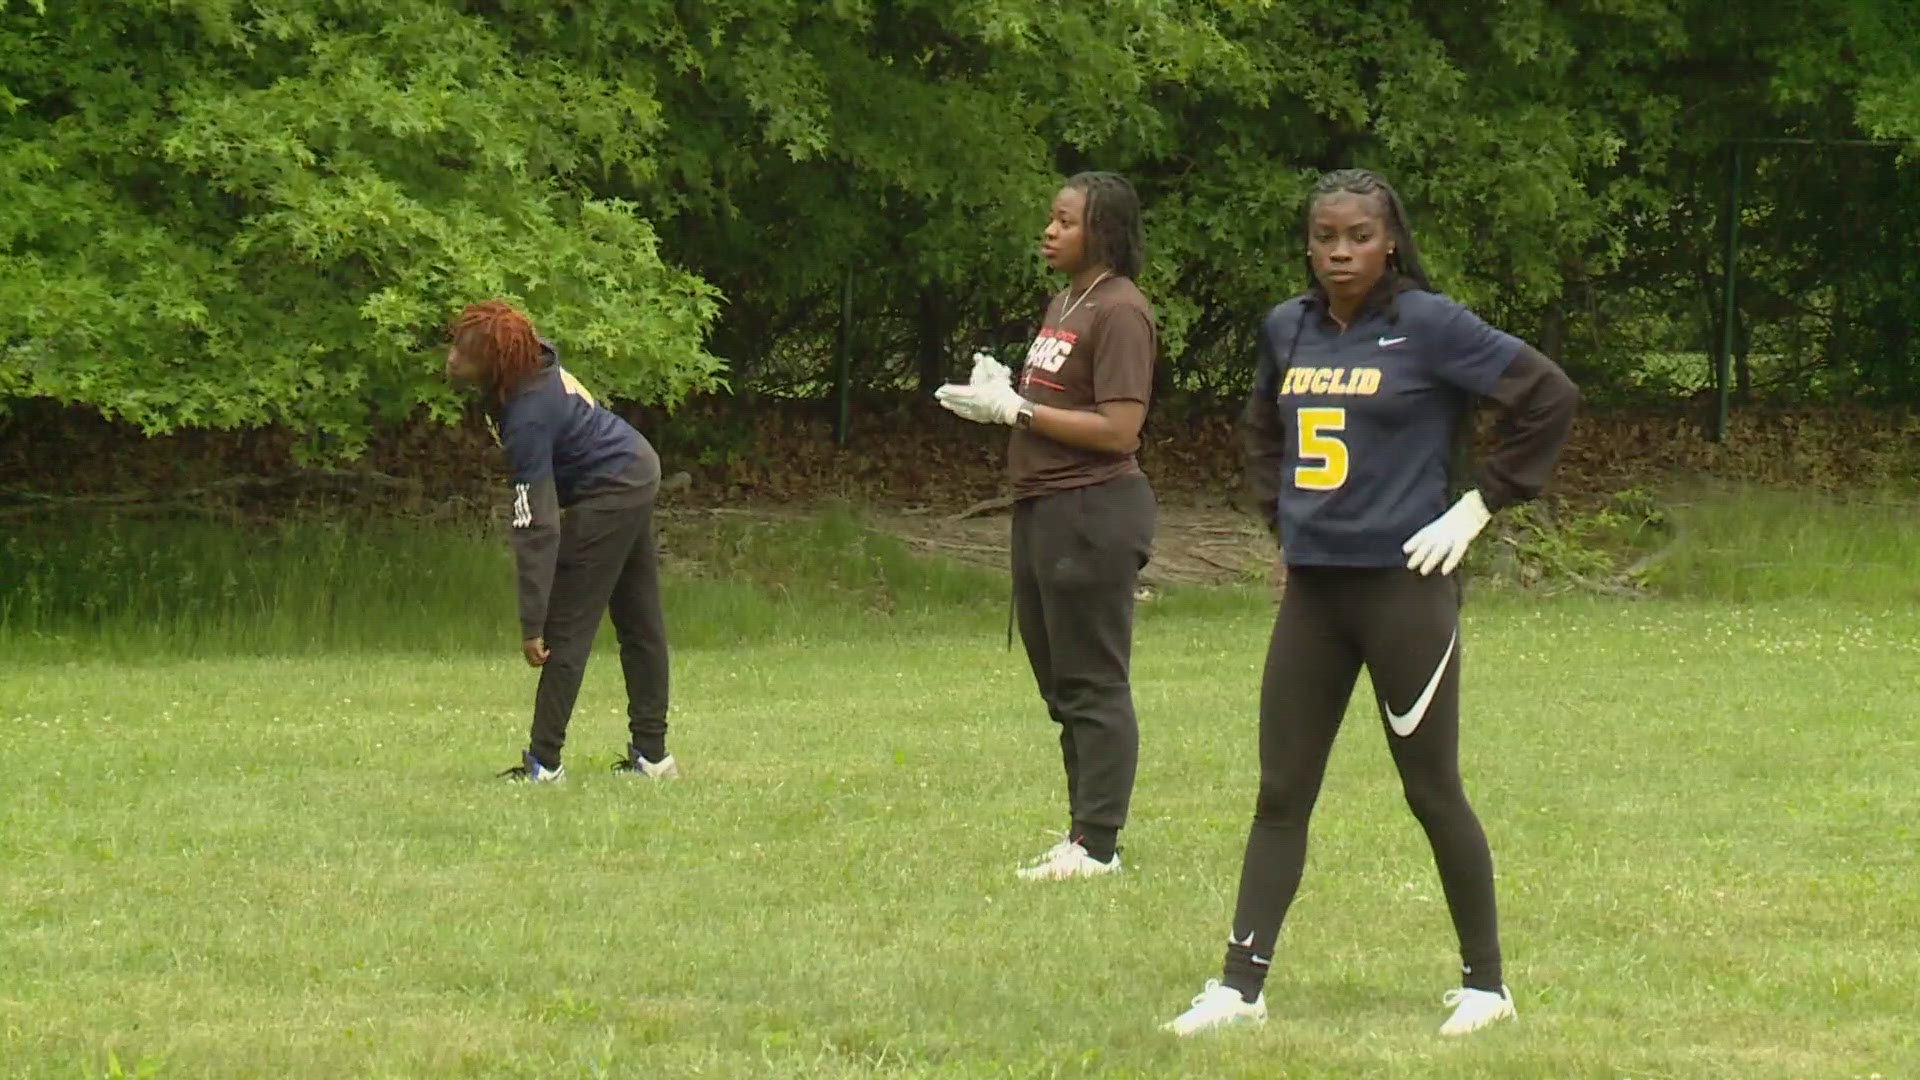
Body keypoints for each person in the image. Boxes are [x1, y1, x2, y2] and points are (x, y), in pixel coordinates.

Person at [1163, 169, 1579, 1036]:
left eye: (1359, 236)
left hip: (1405, 592)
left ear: (1390, 240)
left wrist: (1476, 508)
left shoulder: (1426, 323)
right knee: (1281, 792)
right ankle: (1240, 987)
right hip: (1315, 594)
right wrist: (1286, 523)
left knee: (1431, 790)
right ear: (1307, 242)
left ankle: (1486, 986)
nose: (1340, 252)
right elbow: (1260, 432)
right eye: (1325, 237)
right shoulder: (1288, 327)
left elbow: (1548, 397)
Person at [934, 172, 1157, 881]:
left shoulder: (1121, 311)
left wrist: (1019, 413)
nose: (1050, 231)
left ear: (1104, 232)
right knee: (1059, 682)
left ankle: (1100, 844)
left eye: (1065, 222)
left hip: (1092, 509)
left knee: (1093, 680)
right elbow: (1056, 402)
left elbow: (1120, 428)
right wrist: (1002, 392)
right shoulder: (1065, 301)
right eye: (1051, 220)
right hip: (1042, 508)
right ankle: (1081, 834)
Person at [444, 299, 677, 783]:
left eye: (466, 351)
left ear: (496, 359)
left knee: (566, 631)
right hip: (635, 467)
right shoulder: (527, 370)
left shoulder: (528, 415)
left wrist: (533, 623)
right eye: (455, 345)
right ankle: (653, 760)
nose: (452, 358)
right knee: (640, 621)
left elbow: (537, 522)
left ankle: (544, 764)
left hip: (611, 489)